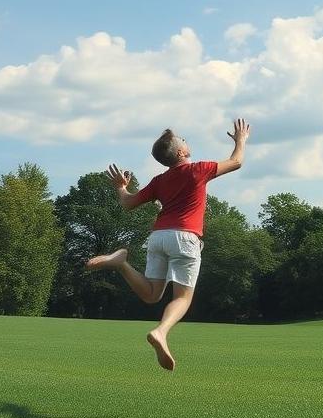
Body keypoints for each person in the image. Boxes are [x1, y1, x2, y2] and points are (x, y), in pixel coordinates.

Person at [86, 118, 250, 371]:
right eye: (183, 140)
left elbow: (128, 203)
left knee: (152, 295)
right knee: (183, 298)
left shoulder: (160, 181)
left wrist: (120, 187)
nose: (186, 140)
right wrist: (241, 140)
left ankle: (121, 264)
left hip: (158, 237)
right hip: (185, 238)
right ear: (182, 152)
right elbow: (236, 161)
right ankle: (162, 331)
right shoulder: (198, 169)